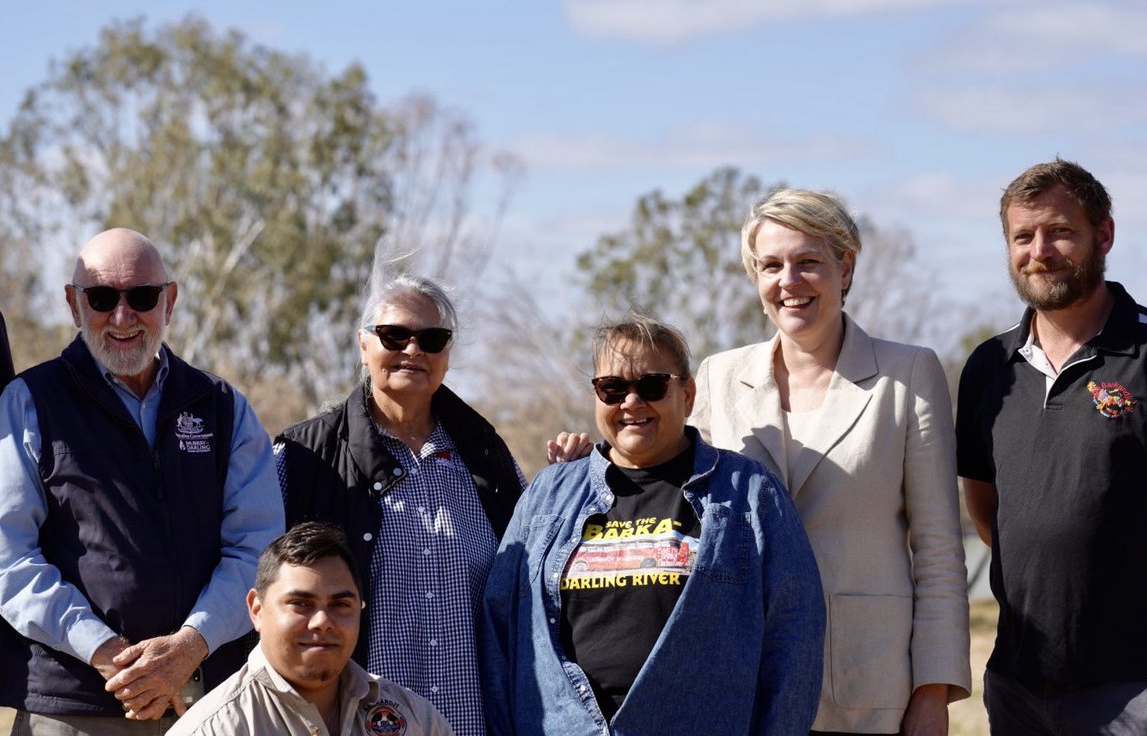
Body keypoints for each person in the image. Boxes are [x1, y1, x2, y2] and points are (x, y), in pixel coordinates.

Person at [691, 189, 971, 736]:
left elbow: (938, 547)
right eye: (770, 265)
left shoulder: (910, 373)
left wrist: (933, 694)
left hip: (868, 692)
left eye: (808, 262)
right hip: (742, 690)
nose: (788, 281)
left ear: (845, 267)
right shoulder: (717, 376)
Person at [480, 314, 825, 736]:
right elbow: (499, 633)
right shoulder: (547, 496)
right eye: (612, 388)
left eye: (651, 385)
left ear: (688, 393)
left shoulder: (750, 495)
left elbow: (794, 640)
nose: (631, 402)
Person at [0, 228, 284, 733]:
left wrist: (188, 648)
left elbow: (258, 553)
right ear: (74, 304)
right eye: (104, 298)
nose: (123, 316)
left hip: (205, 706)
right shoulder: (27, 403)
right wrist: (106, 653)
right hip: (70, 710)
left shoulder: (223, 408)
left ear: (169, 301)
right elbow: (9, 558)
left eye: (143, 296)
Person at [957, 158, 1147, 735]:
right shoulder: (989, 368)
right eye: (1023, 236)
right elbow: (989, 513)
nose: (1040, 250)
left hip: (1143, 682)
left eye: (1061, 231)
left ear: (1104, 235)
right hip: (1020, 682)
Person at [274, 244, 543, 736]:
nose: (412, 351)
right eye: (394, 336)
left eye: (432, 338)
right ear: (363, 345)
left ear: (447, 354)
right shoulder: (302, 457)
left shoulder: (488, 457)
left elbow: (532, 585)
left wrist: (568, 479)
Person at [165, 522, 452, 736]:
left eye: (340, 605)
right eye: (301, 603)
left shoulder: (418, 720)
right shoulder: (211, 730)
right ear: (257, 610)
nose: (322, 621)